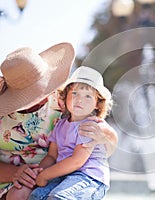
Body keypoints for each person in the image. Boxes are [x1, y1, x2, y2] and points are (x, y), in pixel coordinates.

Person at [0, 43, 118, 200]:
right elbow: (52, 154)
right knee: (22, 193)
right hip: (27, 175)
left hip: (73, 175)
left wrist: (105, 135)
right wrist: (18, 173)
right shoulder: (68, 108)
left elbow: (80, 159)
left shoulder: (66, 102)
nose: (79, 99)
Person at [28, 66, 113, 199]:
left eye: (88, 96)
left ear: (97, 103)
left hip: (89, 177)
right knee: (36, 196)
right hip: (64, 175)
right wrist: (39, 172)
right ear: (65, 95)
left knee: (60, 197)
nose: (79, 100)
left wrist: (45, 175)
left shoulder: (90, 127)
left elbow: (76, 161)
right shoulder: (61, 124)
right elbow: (52, 156)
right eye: (74, 93)